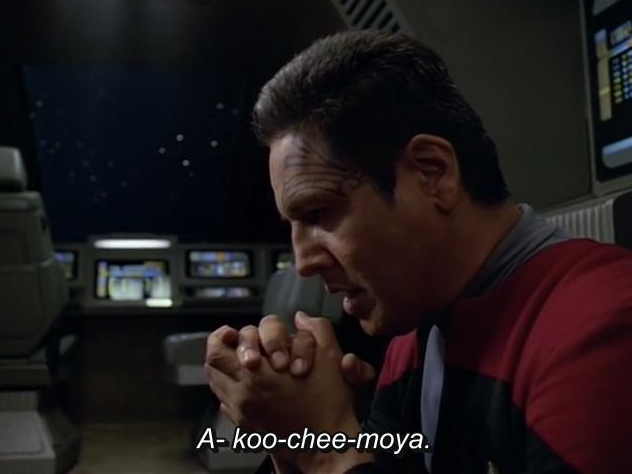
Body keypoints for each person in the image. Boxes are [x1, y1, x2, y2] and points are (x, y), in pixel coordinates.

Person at [204, 30, 632, 473]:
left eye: (319, 213)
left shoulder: (601, 333)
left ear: (432, 173)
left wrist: (325, 450)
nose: (304, 263)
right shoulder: (411, 342)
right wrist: (292, 436)